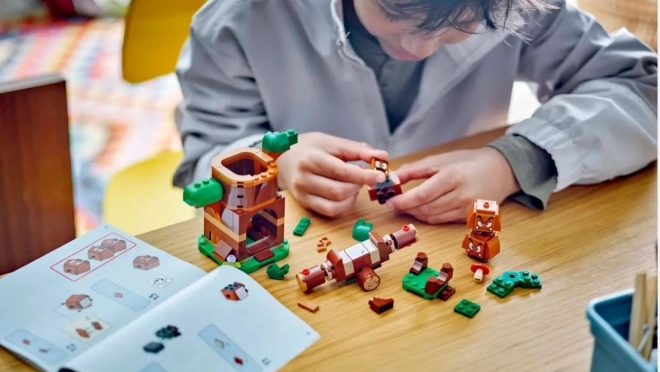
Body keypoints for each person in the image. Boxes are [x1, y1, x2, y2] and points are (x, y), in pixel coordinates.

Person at [173, 0, 657, 224]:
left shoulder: (520, 6)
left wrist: (513, 162)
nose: (419, 47)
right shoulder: (240, 20)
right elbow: (203, 161)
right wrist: (275, 164)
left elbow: (642, 88)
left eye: (462, 24)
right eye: (395, 13)